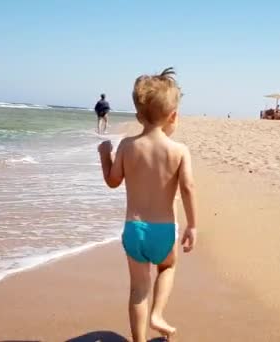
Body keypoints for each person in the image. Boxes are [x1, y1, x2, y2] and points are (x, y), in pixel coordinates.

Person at [97, 68, 197, 342]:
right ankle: (158, 314)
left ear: (139, 116)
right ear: (173, 116)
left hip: (134, 230)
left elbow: (113, 181)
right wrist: (193, 225)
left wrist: (106, 156)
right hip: (164, 231)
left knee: (138, 290)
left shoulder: (128, 146)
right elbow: (188, 188)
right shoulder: (179, 151)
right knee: (167, 268)